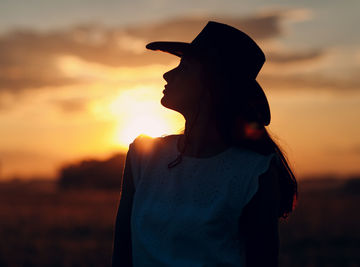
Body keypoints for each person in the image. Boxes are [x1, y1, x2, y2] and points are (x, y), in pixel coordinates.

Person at [112, 21, 298, 267]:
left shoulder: (254, 173)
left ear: (212, 85)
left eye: (185, 67)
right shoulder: (142, 156)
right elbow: (122, 255)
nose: (168, 75)